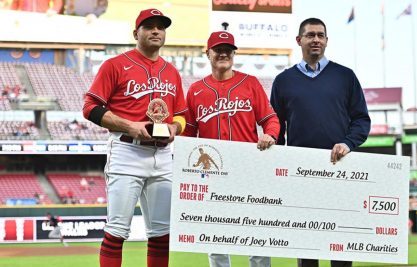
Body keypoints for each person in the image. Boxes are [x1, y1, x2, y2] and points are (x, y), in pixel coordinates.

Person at [82, 8, 187, 267]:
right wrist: (129, 126)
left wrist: (176, 128)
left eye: (160, 27)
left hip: (162, 155)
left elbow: (182, 115)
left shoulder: (171, 71)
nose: (155, 31)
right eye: (149, 26)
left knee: (161, 234)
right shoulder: (115, 65)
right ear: (135, 33)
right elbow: (90, 107)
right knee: (117, 231)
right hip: (127, 151)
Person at [270, 18, 371, 267]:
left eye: (321, 35)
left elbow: (361, 120)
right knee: (306, 245)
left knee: (340, 245)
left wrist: (347, 143)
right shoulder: (283, 81)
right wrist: (276, 164)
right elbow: (276, 127)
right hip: (300, 174)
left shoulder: (345, 76)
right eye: (310, 35)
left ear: (326, 40)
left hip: (339, 169)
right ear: (299, 40)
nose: (316, 39)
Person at [183, 31, 280, 267]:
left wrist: (270, 134)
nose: (224, 53)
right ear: (208, 53)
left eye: (229, 49)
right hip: (212, 176)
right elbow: (188, 136)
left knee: (256, 234)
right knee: (216, 239)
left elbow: (271, 119)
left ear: (234, 53)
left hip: (249, 170)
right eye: (218, 49)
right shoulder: (196, 90)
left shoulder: (250, 83)